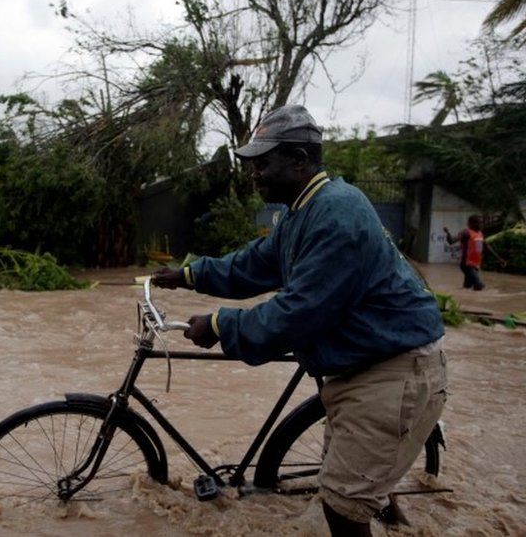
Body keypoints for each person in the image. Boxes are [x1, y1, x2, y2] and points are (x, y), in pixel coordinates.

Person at [153, 105, 447, 536]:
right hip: (364, 366)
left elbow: (299, 312)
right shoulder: (302, 211)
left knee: (343, 511)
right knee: (354, 488)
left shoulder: (337, 215)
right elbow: (254, 264)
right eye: (253, 164)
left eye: (263, 163)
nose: (255, 173)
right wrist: (188, 275)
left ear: (299, 160)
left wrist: (219, 326)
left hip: (392, 372)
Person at [444, 215, 506, 291]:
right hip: (467, 265)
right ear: (471, 224)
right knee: (479, 285)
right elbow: (452, 241)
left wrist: (499, 259)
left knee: (467, 288)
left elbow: (487, 247)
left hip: (475, 265)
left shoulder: (480, 233)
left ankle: (464, 299)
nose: (481, 225)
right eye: (478, 223)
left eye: (481, 223)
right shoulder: (466, 232)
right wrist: (448, 233)